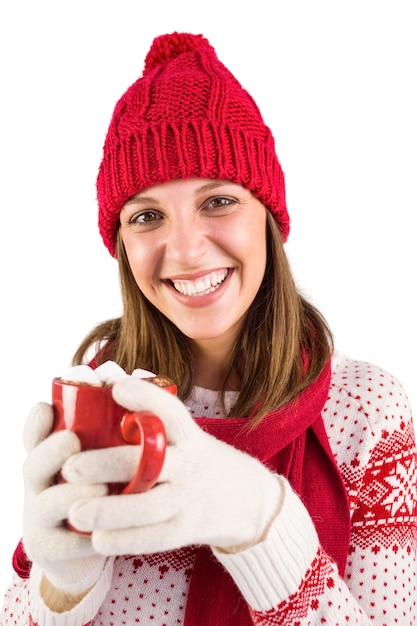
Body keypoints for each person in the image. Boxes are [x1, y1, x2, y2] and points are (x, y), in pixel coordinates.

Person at [1, 31, 416, 626]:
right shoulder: (97, 409)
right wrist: (60, 589)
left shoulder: (367, 414)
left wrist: (258, 518)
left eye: (218, 201)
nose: (188, 250)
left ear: (267, 218)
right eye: (147, 216)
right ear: (121, 245)